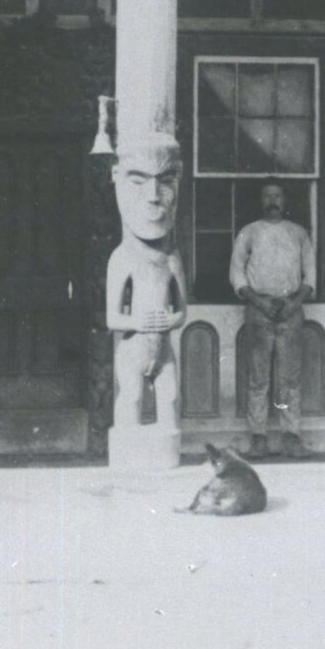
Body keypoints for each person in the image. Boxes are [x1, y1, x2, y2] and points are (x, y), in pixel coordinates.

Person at [105, 134, 189, 467]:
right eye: (138, 181)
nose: (154, 197)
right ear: (116, 178)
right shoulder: (121, 258)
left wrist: (172, 320)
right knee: (132, 398)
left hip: (163, 348)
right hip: (133, 348)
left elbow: (182, 309)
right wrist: (139, 322)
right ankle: (128, 463)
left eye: (166, 181)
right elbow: (112, 318)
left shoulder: (172, 258)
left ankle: (164, 461)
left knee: (169, 399)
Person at [229, 182, 316, 459]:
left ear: (285, 199)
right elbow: (237, 274)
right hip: (258, 309)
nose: (272, 200)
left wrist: (295, 301)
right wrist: (258, 301)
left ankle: (291, 437)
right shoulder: (249, 232)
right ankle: (258, 438)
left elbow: (310, 274)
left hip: (291, 308)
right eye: (266, 195)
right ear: (260, 200)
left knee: (290, 378)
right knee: (258, 378)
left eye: (277, 195)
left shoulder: (298, 234)